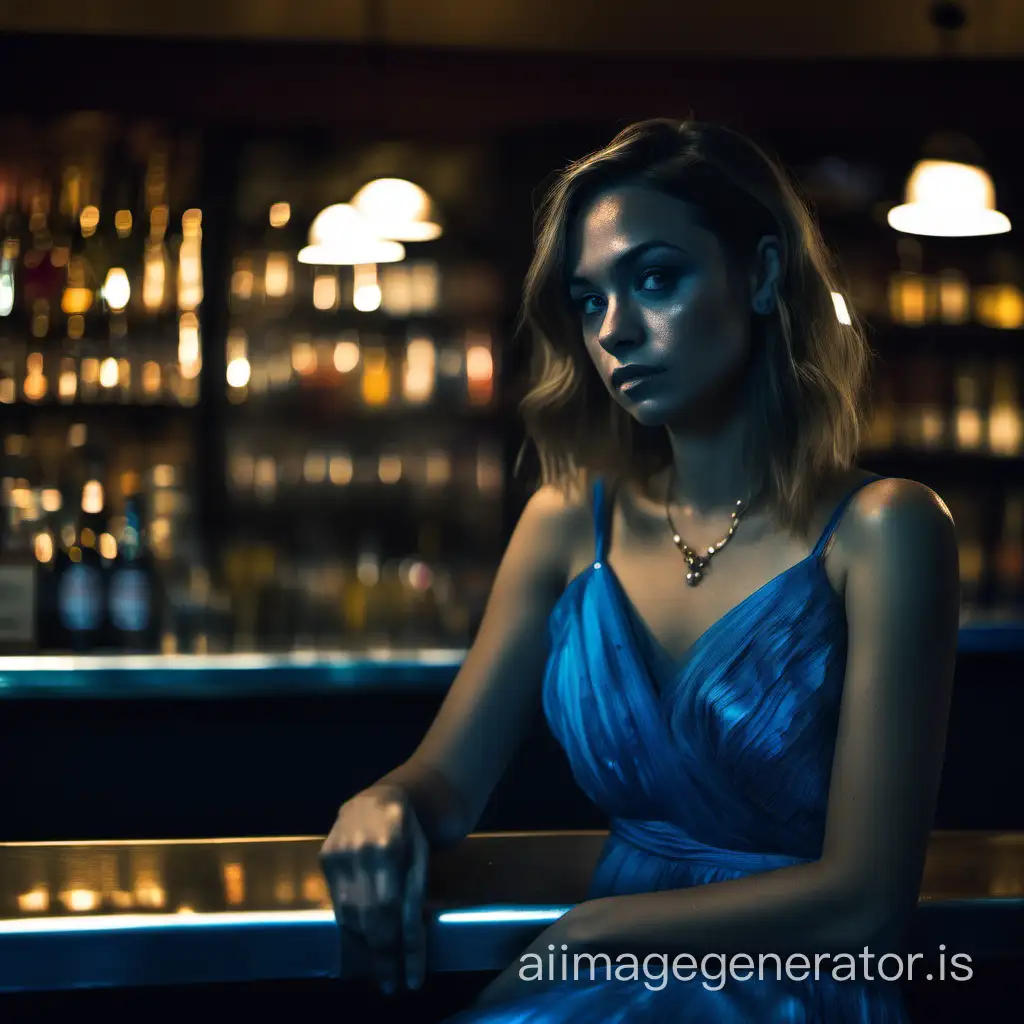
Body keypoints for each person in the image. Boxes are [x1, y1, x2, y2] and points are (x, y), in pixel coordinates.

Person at [320, 118, 960, 1022]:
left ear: (763, 274)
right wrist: (383, 802)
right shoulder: (565, 522)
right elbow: (447, 786)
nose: (615, 330)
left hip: (793, 991)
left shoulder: (885, 529)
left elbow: (868, 902)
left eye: (656, 279)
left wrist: (591, 939)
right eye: (588, 301)